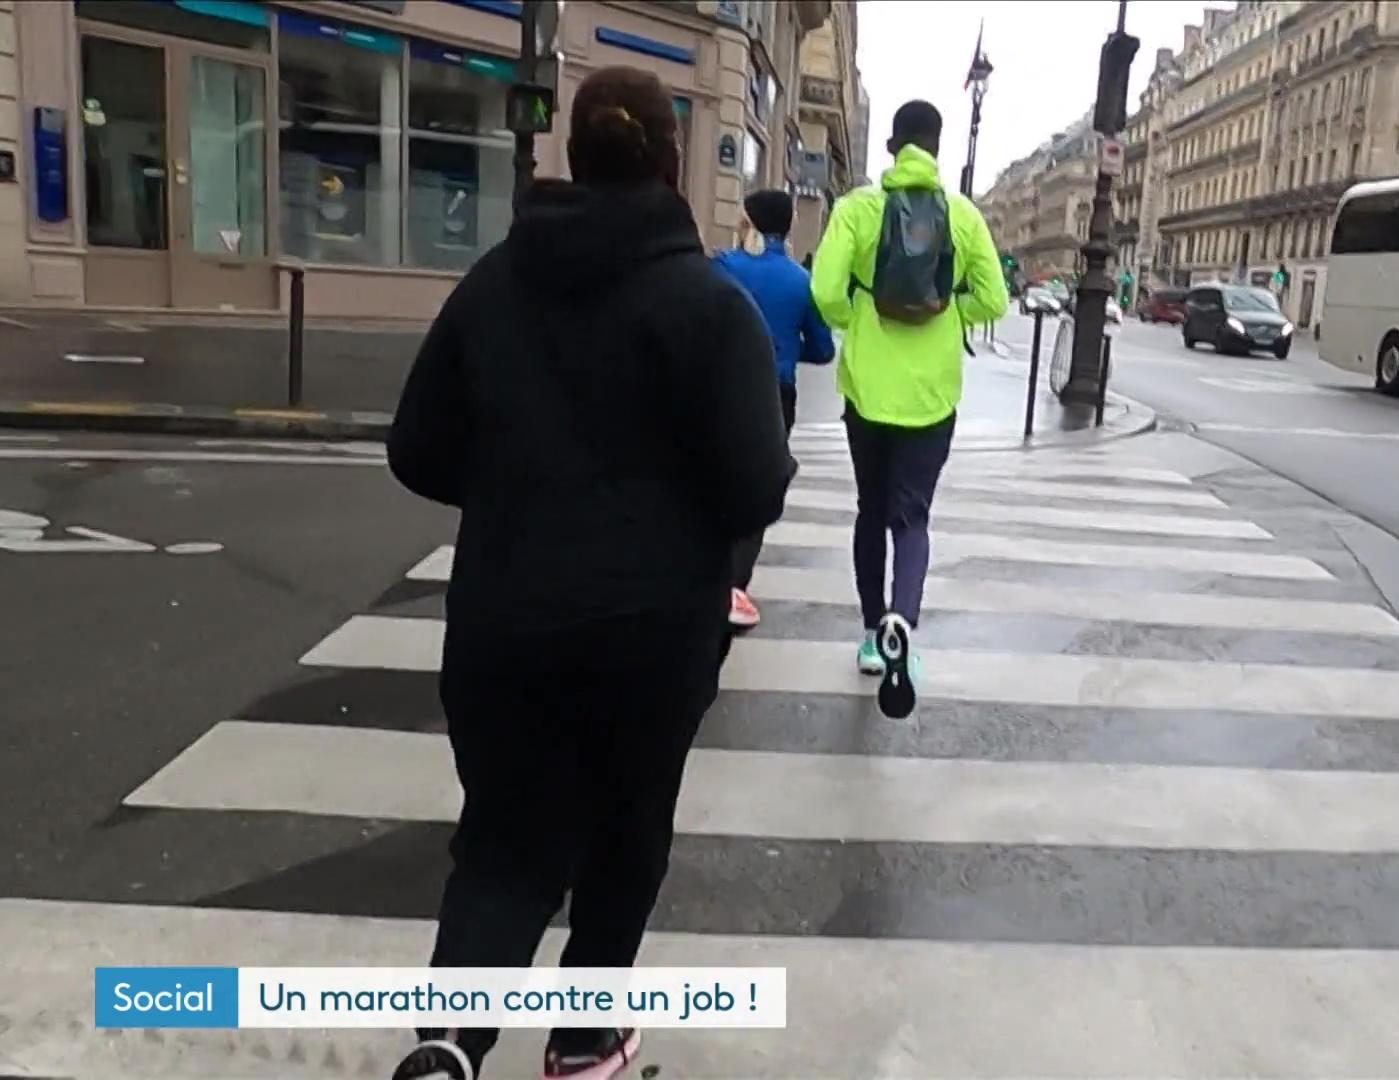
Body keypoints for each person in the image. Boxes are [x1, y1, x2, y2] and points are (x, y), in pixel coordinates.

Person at [385, 65, 791, 1080]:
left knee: (505, 844)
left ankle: (447, 1046)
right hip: (650, 639)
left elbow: (416, 450)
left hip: (504, 617)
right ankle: (582, 1042)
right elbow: (755, 488)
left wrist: (522, 481)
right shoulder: (710, 307)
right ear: (666, 160)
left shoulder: (493, 284)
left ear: (571, 152)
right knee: (624, 838)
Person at [809, 99, 1008, 718]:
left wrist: (858, 322)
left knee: (870, 509)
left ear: (892, 144)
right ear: (938, 147)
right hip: (931, 396)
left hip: (868, 390)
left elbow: (822, 290)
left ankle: (873, 635)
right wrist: (950, 318)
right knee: (912, 517)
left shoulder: (857, 207)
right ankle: (904, 618)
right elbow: (995, 300)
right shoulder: (964, 216)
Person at [712, 189, 836, 630]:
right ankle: (736, 586)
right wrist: (781, 349)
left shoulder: (724, 266)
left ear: (749, 223)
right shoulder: (802, 282)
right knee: (758, 485)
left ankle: (706, 574)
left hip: (719, 385)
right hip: (775, 394)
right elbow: (822, 350)